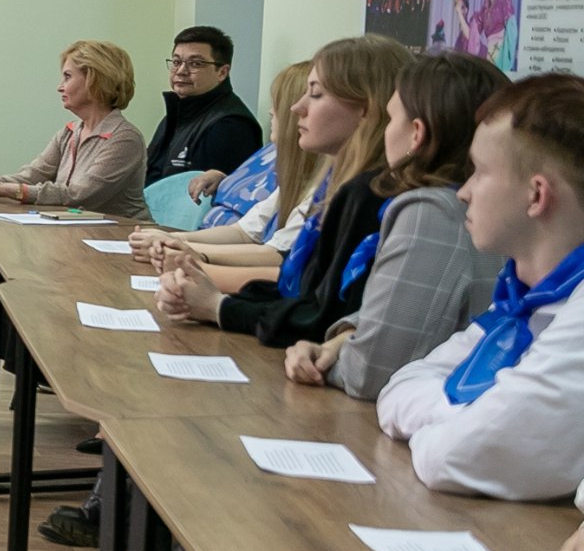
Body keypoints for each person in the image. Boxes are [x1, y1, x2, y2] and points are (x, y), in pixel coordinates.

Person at [376, 74, 584, 502]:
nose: (464, 192)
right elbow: (398, 389)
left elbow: (455, 458)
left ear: (536, 195)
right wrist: (472, 414)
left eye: (480, 172)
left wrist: (462, 423)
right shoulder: (523, 297)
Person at [155, 35, 415, 342]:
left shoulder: (369, 195)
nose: (297, 108)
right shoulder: (334, 185)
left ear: (365, 109)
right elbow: (298, 287)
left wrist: (215, 301)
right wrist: (207, 288)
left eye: (315, 94)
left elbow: (317, 311)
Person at [278, 53, 505, 397]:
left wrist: (324, 363)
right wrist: (339, 341)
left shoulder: (431, 210)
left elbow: (370, 373)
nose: (384, 131)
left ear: (416, 134)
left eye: (390, 119)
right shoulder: (464, 205)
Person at [0, 40, 150, 220]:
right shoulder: (69, 132)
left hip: (125, 239)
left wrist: (0, 188)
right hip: (77, 233)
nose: (60, 87)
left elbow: (79, 196)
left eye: (68, 77)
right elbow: (32, 176)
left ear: (95, 80)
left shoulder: (125, 139)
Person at [188, 60, 309, 227]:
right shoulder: (272, 150)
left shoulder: (306, 173)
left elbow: (254, 234)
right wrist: (222, 181)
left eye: (278, 104)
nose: (270, 111)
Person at [144, 25, 262, 187]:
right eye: (176, 62)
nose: (181, 71)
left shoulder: (230, 125)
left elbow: (210, 196)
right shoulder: (177, 114)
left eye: (196, 63)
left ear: (222, 72)